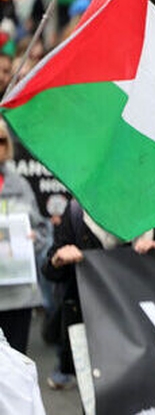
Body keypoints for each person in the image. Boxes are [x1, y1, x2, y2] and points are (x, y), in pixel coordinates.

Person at [43, 200, 155, 389]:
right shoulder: (77, 211)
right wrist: (59, 258)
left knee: (145, 393)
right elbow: (50, 270)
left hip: (142, 324)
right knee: (98, 396)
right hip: (92, 325)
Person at [0, 120, 50, 354]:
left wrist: (32, 239)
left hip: (18, 296)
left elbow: (43, 231)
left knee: (18, 364)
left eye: (1, 140)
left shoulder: (20, 184)